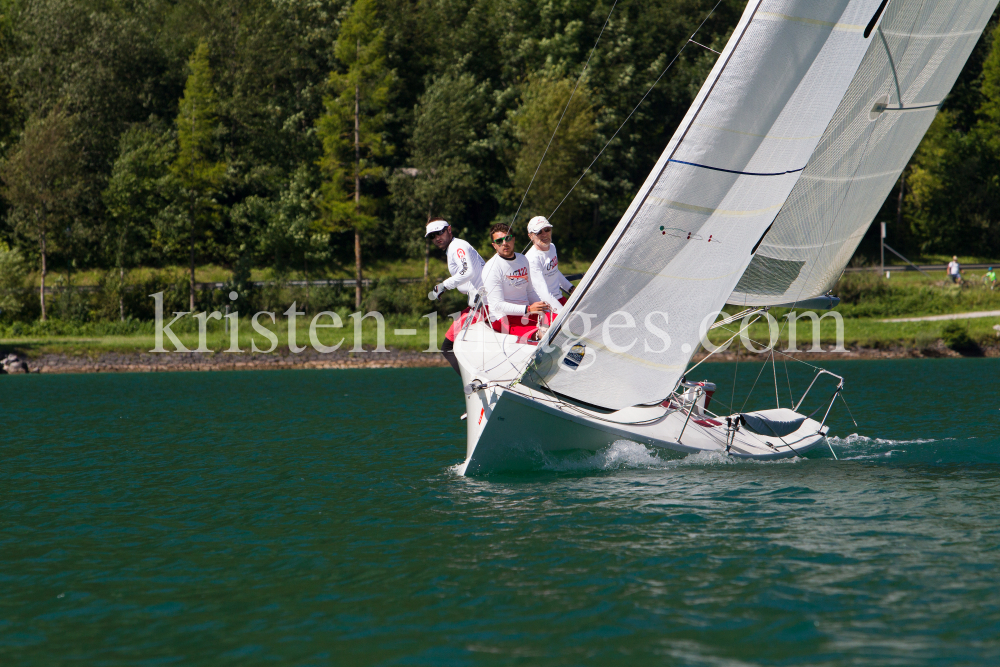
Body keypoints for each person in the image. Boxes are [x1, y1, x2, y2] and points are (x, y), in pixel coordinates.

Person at [425, 218, 487, 375]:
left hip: (482, 306)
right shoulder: (455, 247)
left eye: (439, 232)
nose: (437, 238)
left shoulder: (457, 246)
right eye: (432, 236)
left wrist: (444, 285)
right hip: (479, 304)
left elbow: (468, 272)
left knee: (448, 347)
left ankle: (475, 380)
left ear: (449, 230)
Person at [482, 223, 551, 341]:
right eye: (499, 241)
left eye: (507, 238)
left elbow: (529, 291)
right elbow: (498, 306)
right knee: (544, 335)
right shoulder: (491, 268)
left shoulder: (523, 259)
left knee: (559, 320)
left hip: (526, 311)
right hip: (503, 318)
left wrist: (543, 306)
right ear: (494, 245)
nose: (504, 243)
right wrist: (528, 309)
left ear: (513, 239)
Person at [525, 216, 575, 313]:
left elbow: (554, 270)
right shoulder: (532, 258)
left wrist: (570, 288)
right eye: (539, 232)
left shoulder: (552, 247)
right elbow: (543, 293)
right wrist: (562, 315)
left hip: (558, 298)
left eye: (547, 229)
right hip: (544, 305)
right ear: (530, 236)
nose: (544, 234)